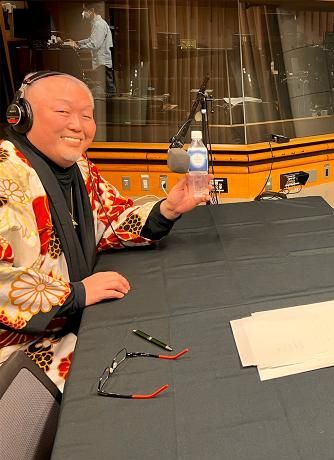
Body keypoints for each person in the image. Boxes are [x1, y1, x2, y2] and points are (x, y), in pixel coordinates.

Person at [0, 72, 211, 390]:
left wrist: (167, 209)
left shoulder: (80, 167)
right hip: (21, 352)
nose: (78, 125)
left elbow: (112, 219)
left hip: (76, 322)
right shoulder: (5, 174)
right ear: (21, 116)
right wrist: (76, 293)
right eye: (63, 112)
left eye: (87, 116)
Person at [69, 4, 115, 94]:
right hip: (100, 62)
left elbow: (95, 44)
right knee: (106, 89)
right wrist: (77, 42)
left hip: (102, 62)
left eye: (85, 10)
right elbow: (91, 39)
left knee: (108, 90)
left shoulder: (99, 24)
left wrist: (79, 47)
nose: (83, 13)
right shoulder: (96, 23)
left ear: (91, 11)